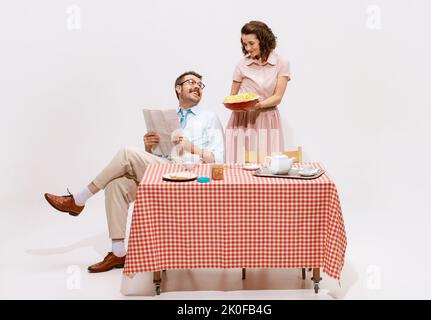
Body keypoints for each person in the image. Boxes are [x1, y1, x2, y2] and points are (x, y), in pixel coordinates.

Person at [44, 71, 224, 273]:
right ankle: (118, 253)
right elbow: (160, 156)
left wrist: (190, 146)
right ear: (178, 88)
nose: (198, 86)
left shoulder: (209, 118)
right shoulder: (168, 118)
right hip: (163, 170)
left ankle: (78, 200)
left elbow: (218, 158)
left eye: (201, 84)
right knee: (115, 185)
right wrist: (149, 147)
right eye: (192, 82)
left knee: (126, 152)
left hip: (188, 174)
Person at [225, 21, 291, 163]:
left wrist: (257, 106)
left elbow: (278, 97)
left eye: (251, 43)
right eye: (244, 44)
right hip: (242, 120)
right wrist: (237, 104)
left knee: (268, 163)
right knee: (239, 162)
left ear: (263, 40)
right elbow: (232, 97)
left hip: (267, 119)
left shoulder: (281, 63)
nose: (247, 48)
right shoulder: (241, 64)